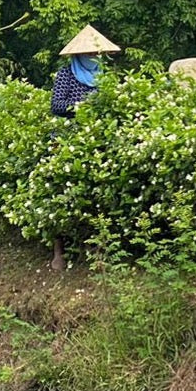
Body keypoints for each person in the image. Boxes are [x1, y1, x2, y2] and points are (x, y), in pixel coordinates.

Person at [48, 24, 120, 270]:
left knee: (101, 191)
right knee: (60, 190)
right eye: (88, 53)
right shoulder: (66, 75)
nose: (93, 57)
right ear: (78, 55)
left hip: (99, 136)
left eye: (96, 53)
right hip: (69, 137)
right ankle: (59, 250)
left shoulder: (105, 77)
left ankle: (98, 246)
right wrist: (82, 107)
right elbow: (57, 105)